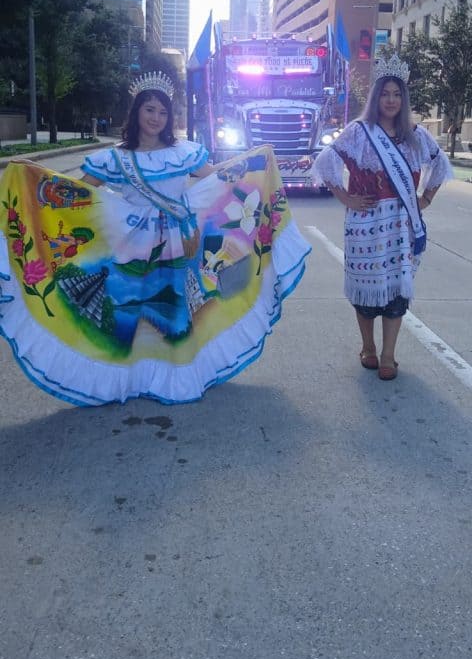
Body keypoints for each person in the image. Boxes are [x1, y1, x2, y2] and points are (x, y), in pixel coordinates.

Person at [0, 72, 310, 406]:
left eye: (163, 112)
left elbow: (224, 175)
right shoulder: (115, 157)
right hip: (130, 241)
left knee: (176, 311)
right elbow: (79, 189)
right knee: (130, 309)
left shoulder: (185, 153)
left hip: (178, 242)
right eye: (149, 110)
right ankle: (129, 377)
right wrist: (32, 174)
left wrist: (258, 161)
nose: (156, 118)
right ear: (136, 113)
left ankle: (176, 376)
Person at [312, 53, 452, 380]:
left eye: (397, 94)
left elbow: (440, 164)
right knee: (365, 294)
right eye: (385, 93)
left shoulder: (415, 135)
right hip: (365, 226)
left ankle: (388, 354)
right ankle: (368, 347)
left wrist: (425, 199)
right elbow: (325, 163)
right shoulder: (359, 132)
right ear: (377, 97)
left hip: (401, 228)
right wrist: (346, 197)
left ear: (403, 99)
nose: (391, 100)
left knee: (396, 293)